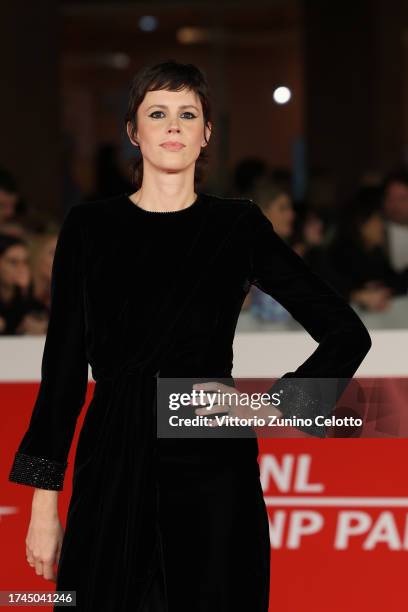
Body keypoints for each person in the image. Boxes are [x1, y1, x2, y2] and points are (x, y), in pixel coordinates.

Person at [8, 60, 372, 612]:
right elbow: (61, 373)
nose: (173, 126)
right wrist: (43, 508)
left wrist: (275, 408)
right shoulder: (89, 228)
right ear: (134, 131)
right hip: (111, 458)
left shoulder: (238, 226)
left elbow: (347, 332)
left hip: (209, 460)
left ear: (207, 134)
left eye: (187, 114)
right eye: (158, 113)